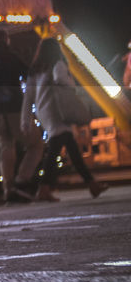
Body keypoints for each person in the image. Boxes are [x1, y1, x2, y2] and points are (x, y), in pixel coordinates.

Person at [22, 38, 107, 201]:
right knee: (58, 148)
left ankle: (91, 184)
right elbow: (62, 81)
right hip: (58, 110)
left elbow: (28, 97)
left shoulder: (35, 70)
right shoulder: (58, 64)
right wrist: (70, 82)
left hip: (44, 111)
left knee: (68, 146)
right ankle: (44, 188)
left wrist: (25, 120)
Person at [0, 29, 43, 204]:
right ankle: (21, 180)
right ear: (6, 39)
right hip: (14, 108)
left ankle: (7, 189)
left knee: (6, 146)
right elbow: (29, 75)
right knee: (36, 143)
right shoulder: (10, 55)